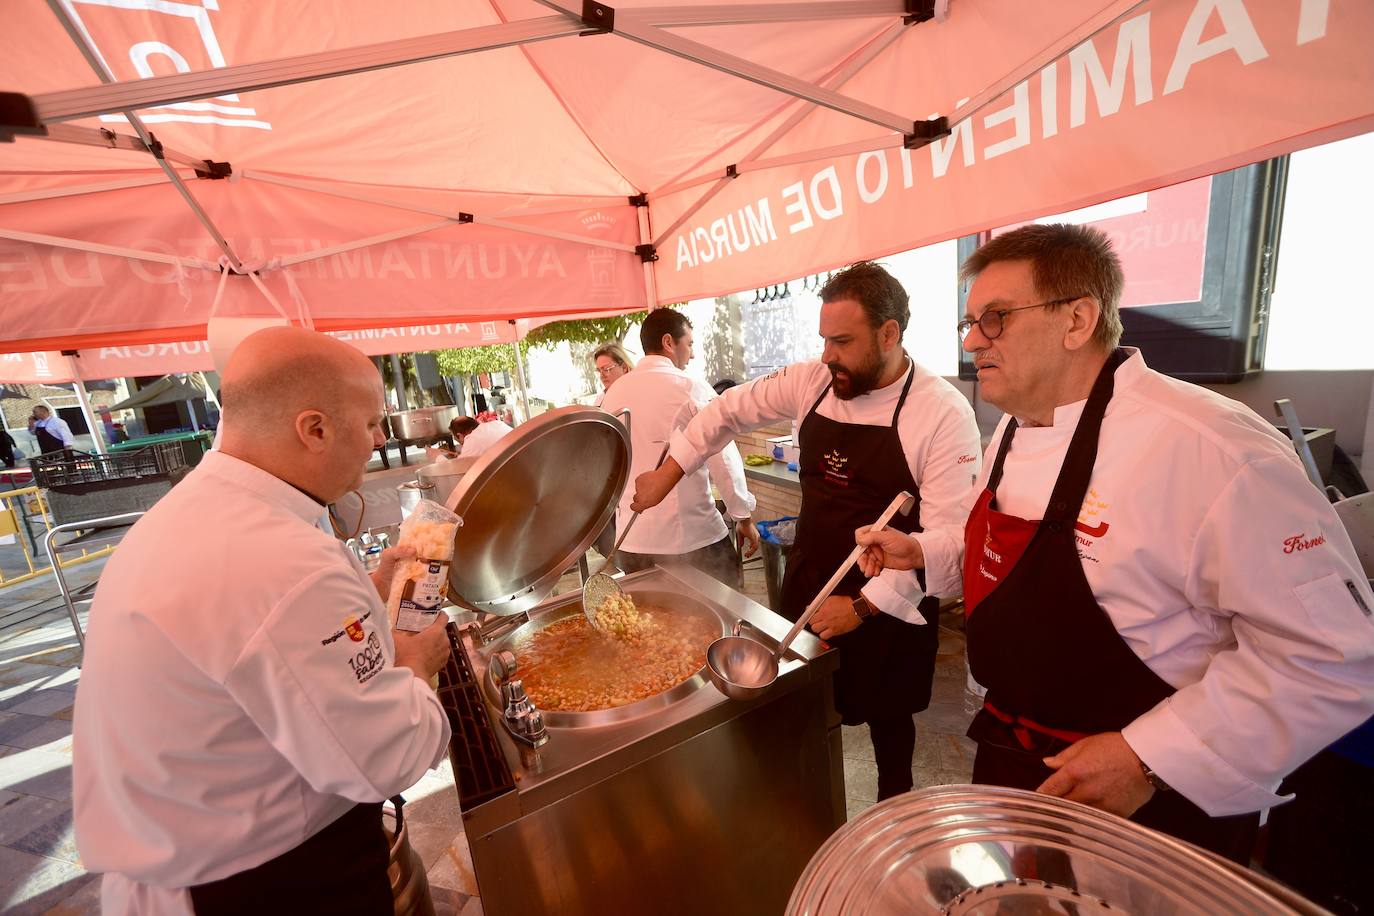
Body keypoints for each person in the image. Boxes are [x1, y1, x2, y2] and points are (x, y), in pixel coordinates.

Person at [856, 223, 1374, 858]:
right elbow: (1008, 558)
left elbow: (1334, 658)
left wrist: (1147, 759)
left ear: (1077, 319)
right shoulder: (1016, 429)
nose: (970, 342)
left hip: (1153, 799)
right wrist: (925, 552)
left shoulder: (1212, 449)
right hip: (1019, 762)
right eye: (968, 323)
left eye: (994, 320)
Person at [73, 327, 454, 915]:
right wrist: (414, 660)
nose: (378, 440)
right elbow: (389, 758)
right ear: (315, 429)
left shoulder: (207, 509)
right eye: (373, 422)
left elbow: (269, 649)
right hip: (261, 882)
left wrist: (368, 595)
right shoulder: (281, 561)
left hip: (201, 855)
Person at [632, 263, 981, 800]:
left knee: (891, 726)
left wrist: (863, 606)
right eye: (823, 339)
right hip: (812, 577)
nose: (827, 356)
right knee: (807, 712)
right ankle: (805, 815)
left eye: (842, 341)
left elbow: (947, 541)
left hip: (892, 600)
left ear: (890, 334)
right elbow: (722, 411)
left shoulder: (941, 412)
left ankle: (893, 819)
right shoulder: (811, 381)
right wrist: (667, 473)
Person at [606, 308, 760, 588]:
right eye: (689, 344)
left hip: (633, 541)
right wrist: (742, 515)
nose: (692, 354)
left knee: (653, 626)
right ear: (668, 342)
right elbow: (723, 456)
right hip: (691, 541)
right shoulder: (690, 387)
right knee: (719, 619)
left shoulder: (613, 393)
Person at [591, 342, 635, 407]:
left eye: (606, 369)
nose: (602, 376)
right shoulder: (599, 402)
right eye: (599, 371)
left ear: (624, 367)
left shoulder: (639, 391)